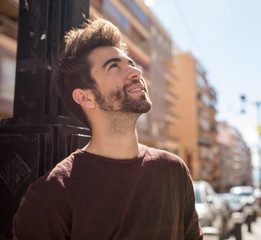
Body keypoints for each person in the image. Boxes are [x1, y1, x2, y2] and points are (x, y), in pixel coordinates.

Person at [12, 18, 203, 240]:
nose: (135, 71)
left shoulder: (174, 170)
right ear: (85, 97)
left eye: (130, 62)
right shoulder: (51, 197)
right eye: (114, 66)